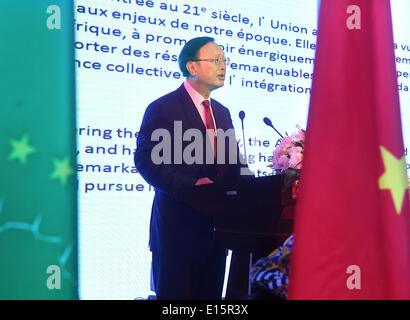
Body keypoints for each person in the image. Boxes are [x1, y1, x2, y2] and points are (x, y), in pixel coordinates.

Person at [134, 37, 251, 300]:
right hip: (177, 231)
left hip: (217, 233)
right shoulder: (163, 107)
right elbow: (146, 160)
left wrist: (254, 185)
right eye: (216, 60)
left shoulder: (222, 112)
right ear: (192, 67)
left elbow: (232, 162)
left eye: (225, 60)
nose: (224, 66)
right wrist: (190, 185)